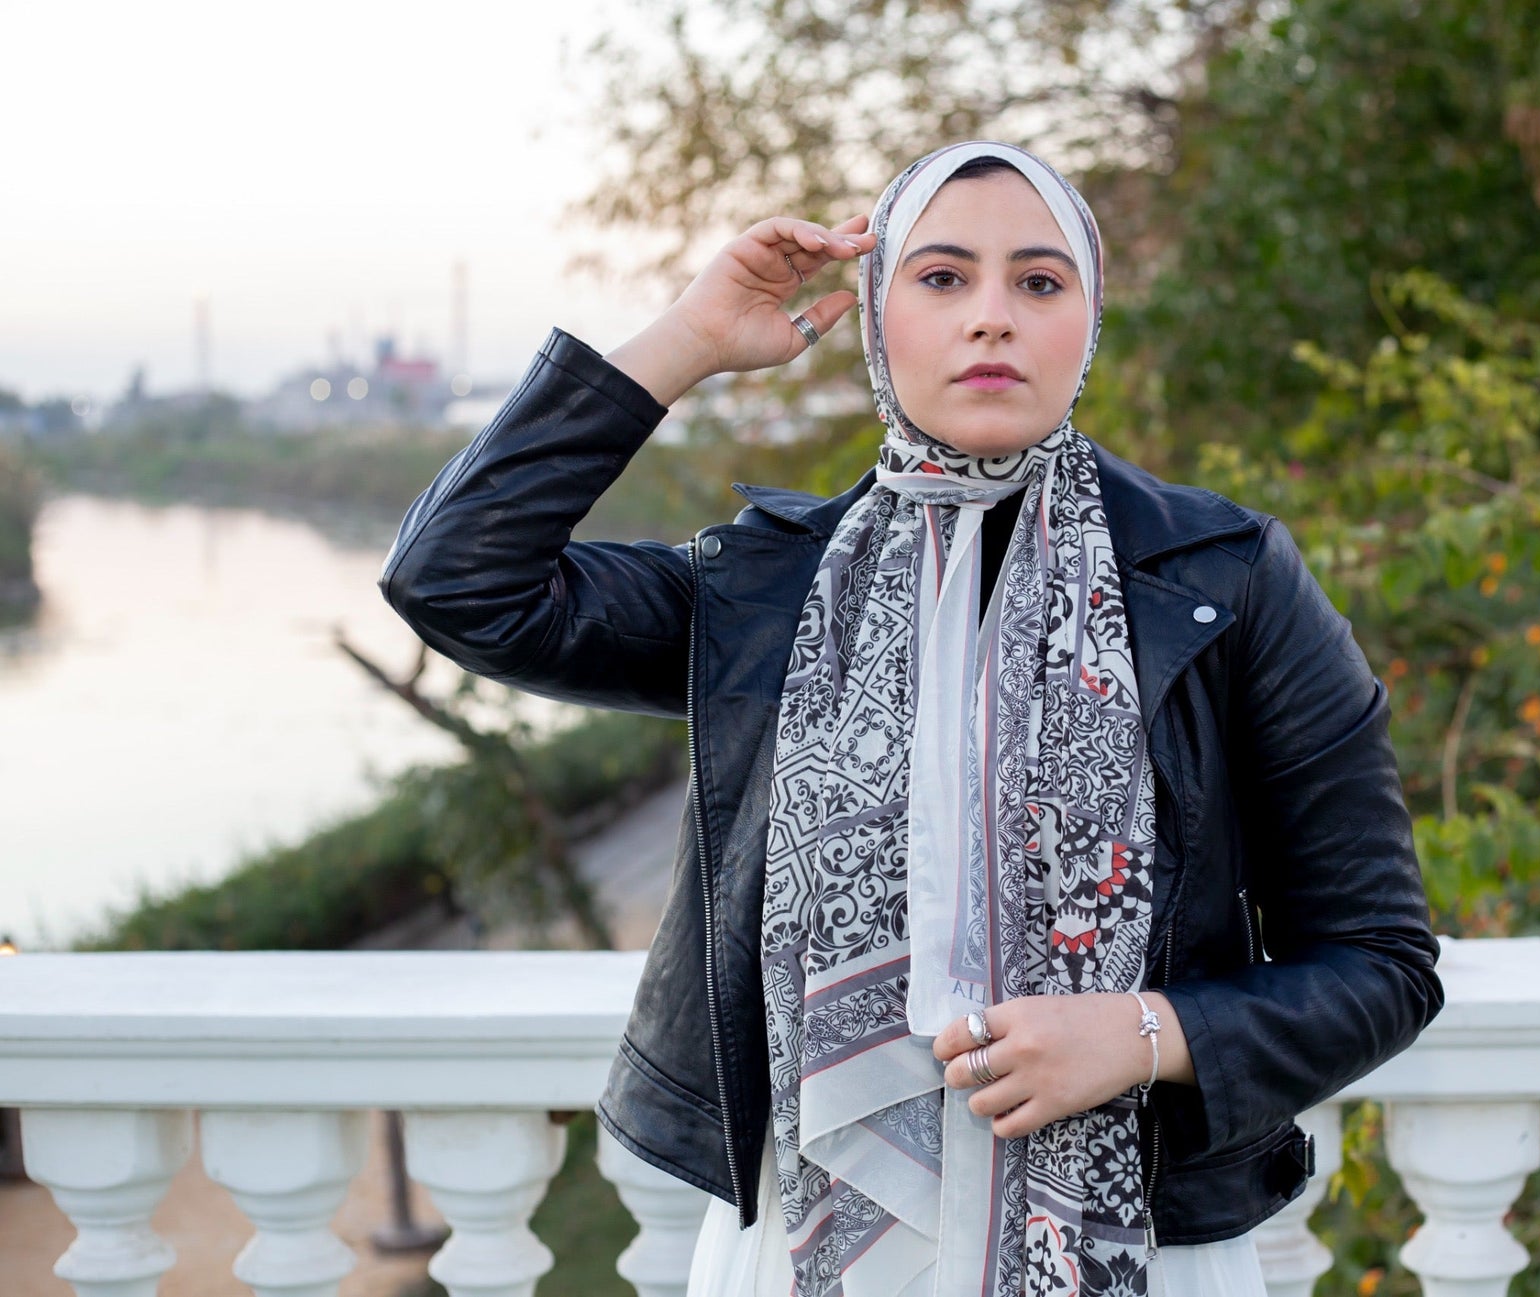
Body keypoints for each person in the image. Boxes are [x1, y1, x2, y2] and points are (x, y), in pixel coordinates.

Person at [378, 138, 1445, 1297]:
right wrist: (687, 339)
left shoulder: (1224, 578)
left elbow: (1381, 962)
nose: (991, 316)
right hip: (802, 1249)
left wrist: (1143, 1032)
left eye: (1038, 281)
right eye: (939, 277)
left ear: (1087, 319)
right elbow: (457, 582)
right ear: (876, 317)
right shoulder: (765, 587)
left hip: (1141, 1247)